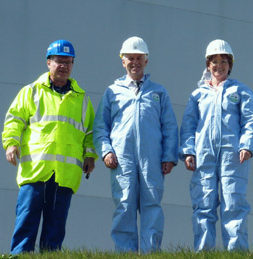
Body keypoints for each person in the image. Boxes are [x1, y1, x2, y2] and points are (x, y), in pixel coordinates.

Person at [2, 39, 97, 254]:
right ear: (48, 62)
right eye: (58, 61)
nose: (63, 66)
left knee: (55, 229)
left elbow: (90, 132)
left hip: (65, 175)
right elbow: (14, 119)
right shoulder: (31, 92)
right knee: (26, 221)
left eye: (68, 62)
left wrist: (90, 156)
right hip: (35, 170)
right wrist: (11, 143)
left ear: (73, 65)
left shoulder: (82, 99)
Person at [93, 36, 178, 253]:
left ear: (146, 61)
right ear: (123, 61)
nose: (135, 62)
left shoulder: (159, 92)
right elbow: (101, 127)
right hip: (122, 161)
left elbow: (169, 127)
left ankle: (151, 253)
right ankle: (125, 254)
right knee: (124, 206)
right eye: (130, 58)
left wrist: (169, 156)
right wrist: (106, 152)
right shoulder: (112, 91)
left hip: (152, 160)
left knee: (151, 207)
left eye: (139, 58)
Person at [179, 39, 253, 251]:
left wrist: (247, 146)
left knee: (233, 204)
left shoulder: (240, 90)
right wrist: (188, 151)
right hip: (204, 157)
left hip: (233, 157)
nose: (219, 65)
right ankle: (203, 252)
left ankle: (236, 253)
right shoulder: (197, 95)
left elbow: (252, 121)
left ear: (230, 64)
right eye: (214, 61)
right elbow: (188, 126)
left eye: (223, 61)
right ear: (208, 64)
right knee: (203, 205)